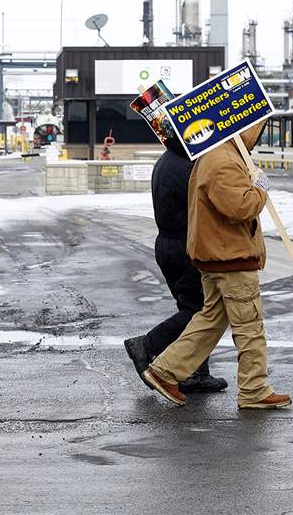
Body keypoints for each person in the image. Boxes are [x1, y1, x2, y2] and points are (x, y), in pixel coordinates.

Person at [142, 124, 292, 410]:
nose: (256, 141)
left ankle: (164, 371)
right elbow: (240, 207)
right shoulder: (223, 159)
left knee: (210, 319)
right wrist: (260, 188)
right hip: (231, 257)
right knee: (249, 326)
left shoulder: (217, 155)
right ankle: (254, 389)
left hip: (218, 255)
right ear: (245, 131)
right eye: (256, 134)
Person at [123, 132, 228, 394]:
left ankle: (195, 372)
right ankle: (146, 345)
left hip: (170, 244)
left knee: (195, 307)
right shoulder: (186, 165)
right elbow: (205, 205)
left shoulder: (169, 159)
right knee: (200, 311)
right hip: (184, 246)